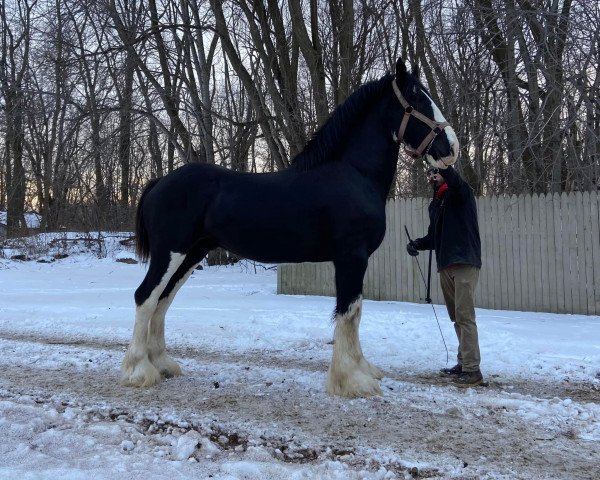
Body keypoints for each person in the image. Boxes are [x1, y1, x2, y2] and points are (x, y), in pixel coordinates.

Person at [406, 165, 483, 387]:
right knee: (456, 317)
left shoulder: (461, 193)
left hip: (464, 262)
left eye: (435, 172)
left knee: (465, 316)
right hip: (445, 265)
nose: (431, 176)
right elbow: (434, 237)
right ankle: (463, 363)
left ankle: (472, 370)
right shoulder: (436, 204)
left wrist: (442, 162)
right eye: (429, 173)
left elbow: (455, 180)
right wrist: (416, 244)